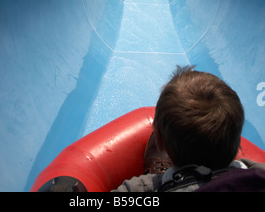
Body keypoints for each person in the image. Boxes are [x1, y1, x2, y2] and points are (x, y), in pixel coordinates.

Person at [113, 66, 265, 192]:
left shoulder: (135, 189)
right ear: (238, 143)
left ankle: (173, 179)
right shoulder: (259, 175)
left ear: (159, 141)